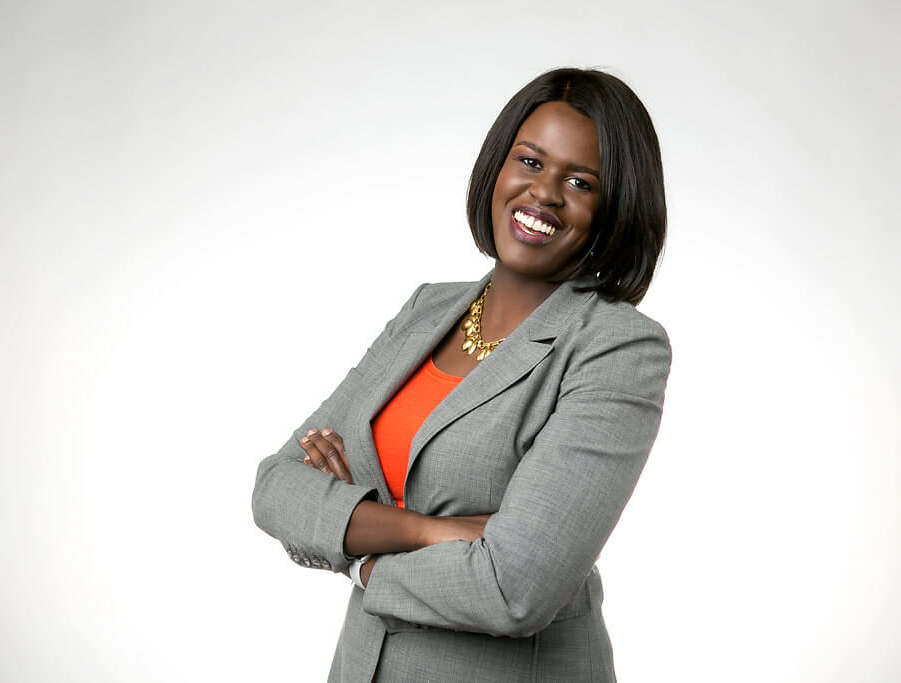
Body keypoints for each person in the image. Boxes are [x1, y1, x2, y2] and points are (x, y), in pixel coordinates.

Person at [251, 66, 671, 682]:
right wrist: (430, 532)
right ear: (498, 167)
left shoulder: (616, 347)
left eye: (579, 182)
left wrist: (356, 555)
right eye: (529, 162)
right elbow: (277, 488)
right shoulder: (427, 310)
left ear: (615, 208)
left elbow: (514, 587)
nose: (544, 194)